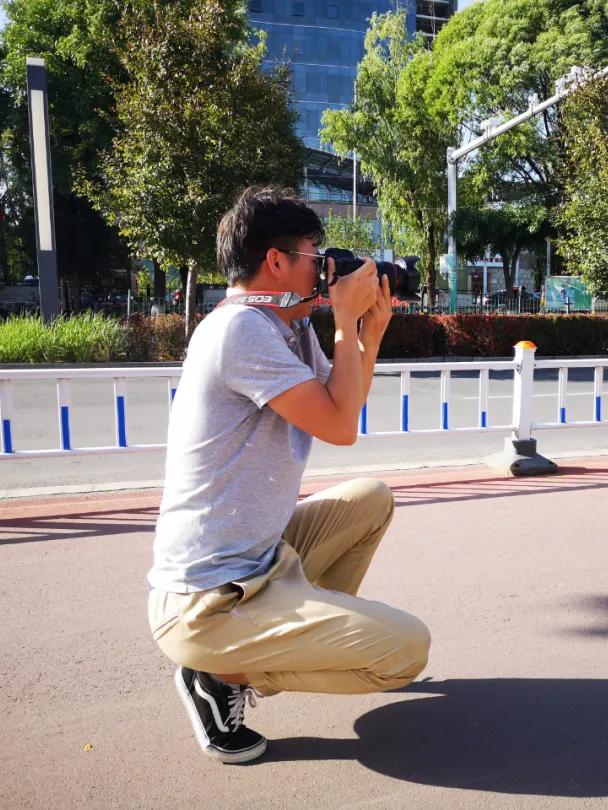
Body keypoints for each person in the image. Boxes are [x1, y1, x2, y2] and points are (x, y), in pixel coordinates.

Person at [147, 186, 430, 764]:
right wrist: (346, 322)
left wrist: (367, 331)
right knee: (405, 653)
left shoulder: (287, 323)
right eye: (312, 253)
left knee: (368, 498)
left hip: (262, 559)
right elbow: (337, 427)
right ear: (275, 262)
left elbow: (342, 405)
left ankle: (293, 628)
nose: (323, 267)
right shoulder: (239, 330)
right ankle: (222, 673)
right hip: (208, 600)